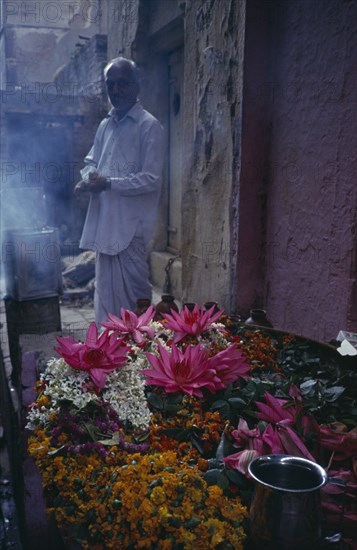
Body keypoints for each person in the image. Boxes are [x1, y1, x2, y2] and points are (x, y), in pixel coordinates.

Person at [74, 57, 164, 325]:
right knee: (105, 295)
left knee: (135, 296)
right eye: (110, 84)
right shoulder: (105, 126)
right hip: (105, 224)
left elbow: (151, 179)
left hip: (131, 228)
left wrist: (109, 183)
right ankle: (107, 356)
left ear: (137, 86)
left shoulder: (150, 126)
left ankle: (135, 360)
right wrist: (89, 178)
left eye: (122, 84)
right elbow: (92, 161)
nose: (115, 90)